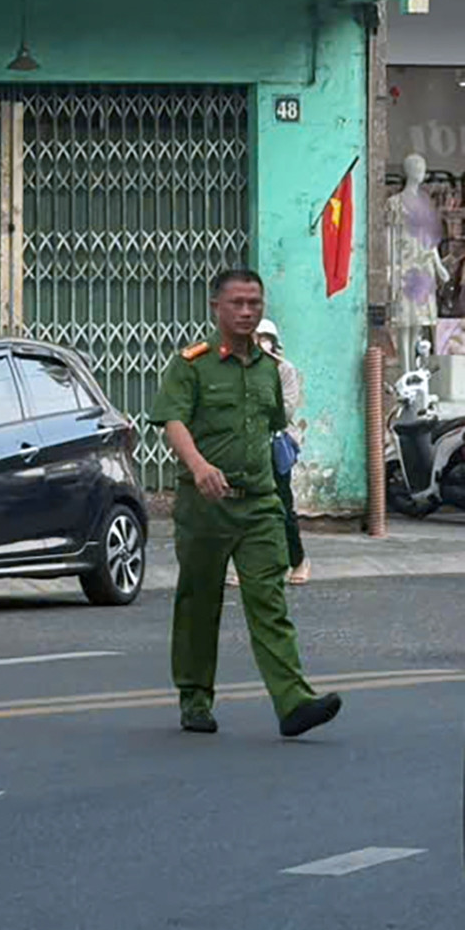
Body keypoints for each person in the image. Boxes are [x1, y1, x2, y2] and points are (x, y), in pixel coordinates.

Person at [148, 268, 341, 739]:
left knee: (269, 601)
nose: (246, 310)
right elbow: (172, 420)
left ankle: (293, 701)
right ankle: (195, 698)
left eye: (254, 302)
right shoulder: (192, 365)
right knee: (199, 603)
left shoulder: (269, 369)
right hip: (205, 505)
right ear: (217, 307)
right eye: (237, 302)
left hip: (258, 504)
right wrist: (198, 466)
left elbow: (273, 424)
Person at [254, 317, 310, 586]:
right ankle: (250, 566)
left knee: (283, 507)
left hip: (274, 446)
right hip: (248, 447)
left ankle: (298, 559)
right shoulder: (242, 370)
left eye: (265, 338)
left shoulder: (284, 370)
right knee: (245, 508)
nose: (260, 343)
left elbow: (285, 410)